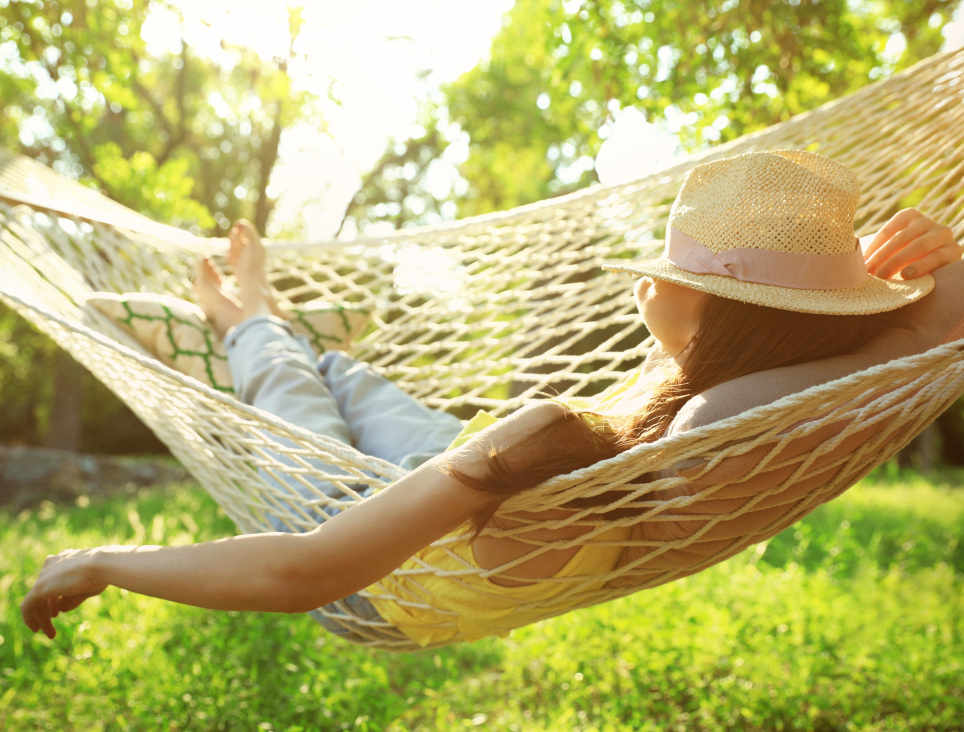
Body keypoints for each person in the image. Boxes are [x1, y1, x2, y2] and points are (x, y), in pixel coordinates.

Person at [21, 150, 963, 643]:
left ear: (728, 315)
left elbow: (301, 572)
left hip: (370, 554)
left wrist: (107, 559)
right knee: (348, 378)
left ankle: (248, 322)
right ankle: (286, 327)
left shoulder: (690, 429)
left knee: (285, 393)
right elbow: (906, 337)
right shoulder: (742, 413)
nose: (649, 284)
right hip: (483, 473)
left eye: (669, 272)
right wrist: (908, 323)